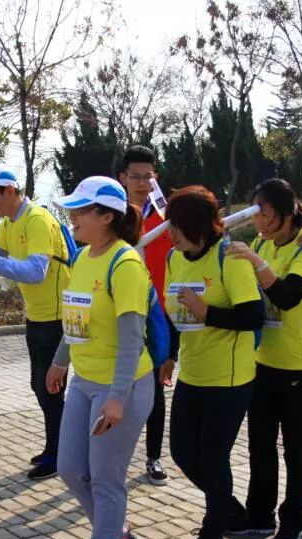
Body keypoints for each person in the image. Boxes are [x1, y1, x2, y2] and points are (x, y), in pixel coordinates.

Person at [45, 176, 155, 539]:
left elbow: (131, 339)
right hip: (83, 381)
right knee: (71, 469)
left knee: (107, 480)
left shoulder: (125, 264)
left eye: (81, 210)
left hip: (121, 385)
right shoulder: (83, 257)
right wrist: (59, 361)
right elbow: (75, 318)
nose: (72, 217)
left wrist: (117, 397)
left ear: (106, 216)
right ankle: (118, 536)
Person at [158, 186, 264, 539]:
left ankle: (214, 531)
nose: (171, 233)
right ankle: (231, 511)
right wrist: (168, 354)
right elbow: (174, 312)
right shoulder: (175, 258)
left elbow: (253, 317)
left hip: (230, 379)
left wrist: (208, 313)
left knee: (213, 456)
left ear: (202, 226)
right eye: (171, 225)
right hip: (193, 374)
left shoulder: (230, 258)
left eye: (179, 226)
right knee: (183, 453)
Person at [225, 178, 302, 539]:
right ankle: (260, 515)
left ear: (285, 214)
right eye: (254, 212)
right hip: (262, 363)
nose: (258, 222)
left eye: (264, 213)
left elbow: (286, 297)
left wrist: (256, 261)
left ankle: (293, 518)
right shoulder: (260, 242)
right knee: (260, 444)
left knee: (297, 447)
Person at [0, 165, 71, 481]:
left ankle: (59, 454)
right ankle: (56, 446)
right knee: (40, 386)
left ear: (8, 191)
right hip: (36, 315)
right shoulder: (12, 222)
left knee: (48, 387)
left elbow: (36, 271)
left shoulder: (36, 220)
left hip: (56, 316)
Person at [118, 145, 170, 486]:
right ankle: (114, 457)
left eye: (147, 176)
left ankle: (153, 457)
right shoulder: (112, 214)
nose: (141, 182)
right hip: (121, 311)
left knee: (155, 389)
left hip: (159, 313)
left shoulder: (165, 216)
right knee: (117, 386)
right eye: (135, 176)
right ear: (122, 178)